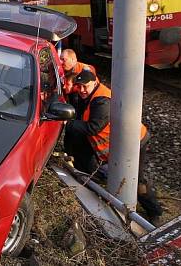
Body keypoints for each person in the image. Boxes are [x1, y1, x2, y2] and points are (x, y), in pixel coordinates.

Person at [63, 70, 163, 222]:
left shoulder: (102, 100)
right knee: (120, 175)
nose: (82, 90)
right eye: (79, 86)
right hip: (120, 144)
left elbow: (93, 127)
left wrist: (67, 124)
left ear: (95, 83)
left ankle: (154, 212)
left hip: (135, 142)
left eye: (85, 86)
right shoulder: (89, 96)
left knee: (135, 180)